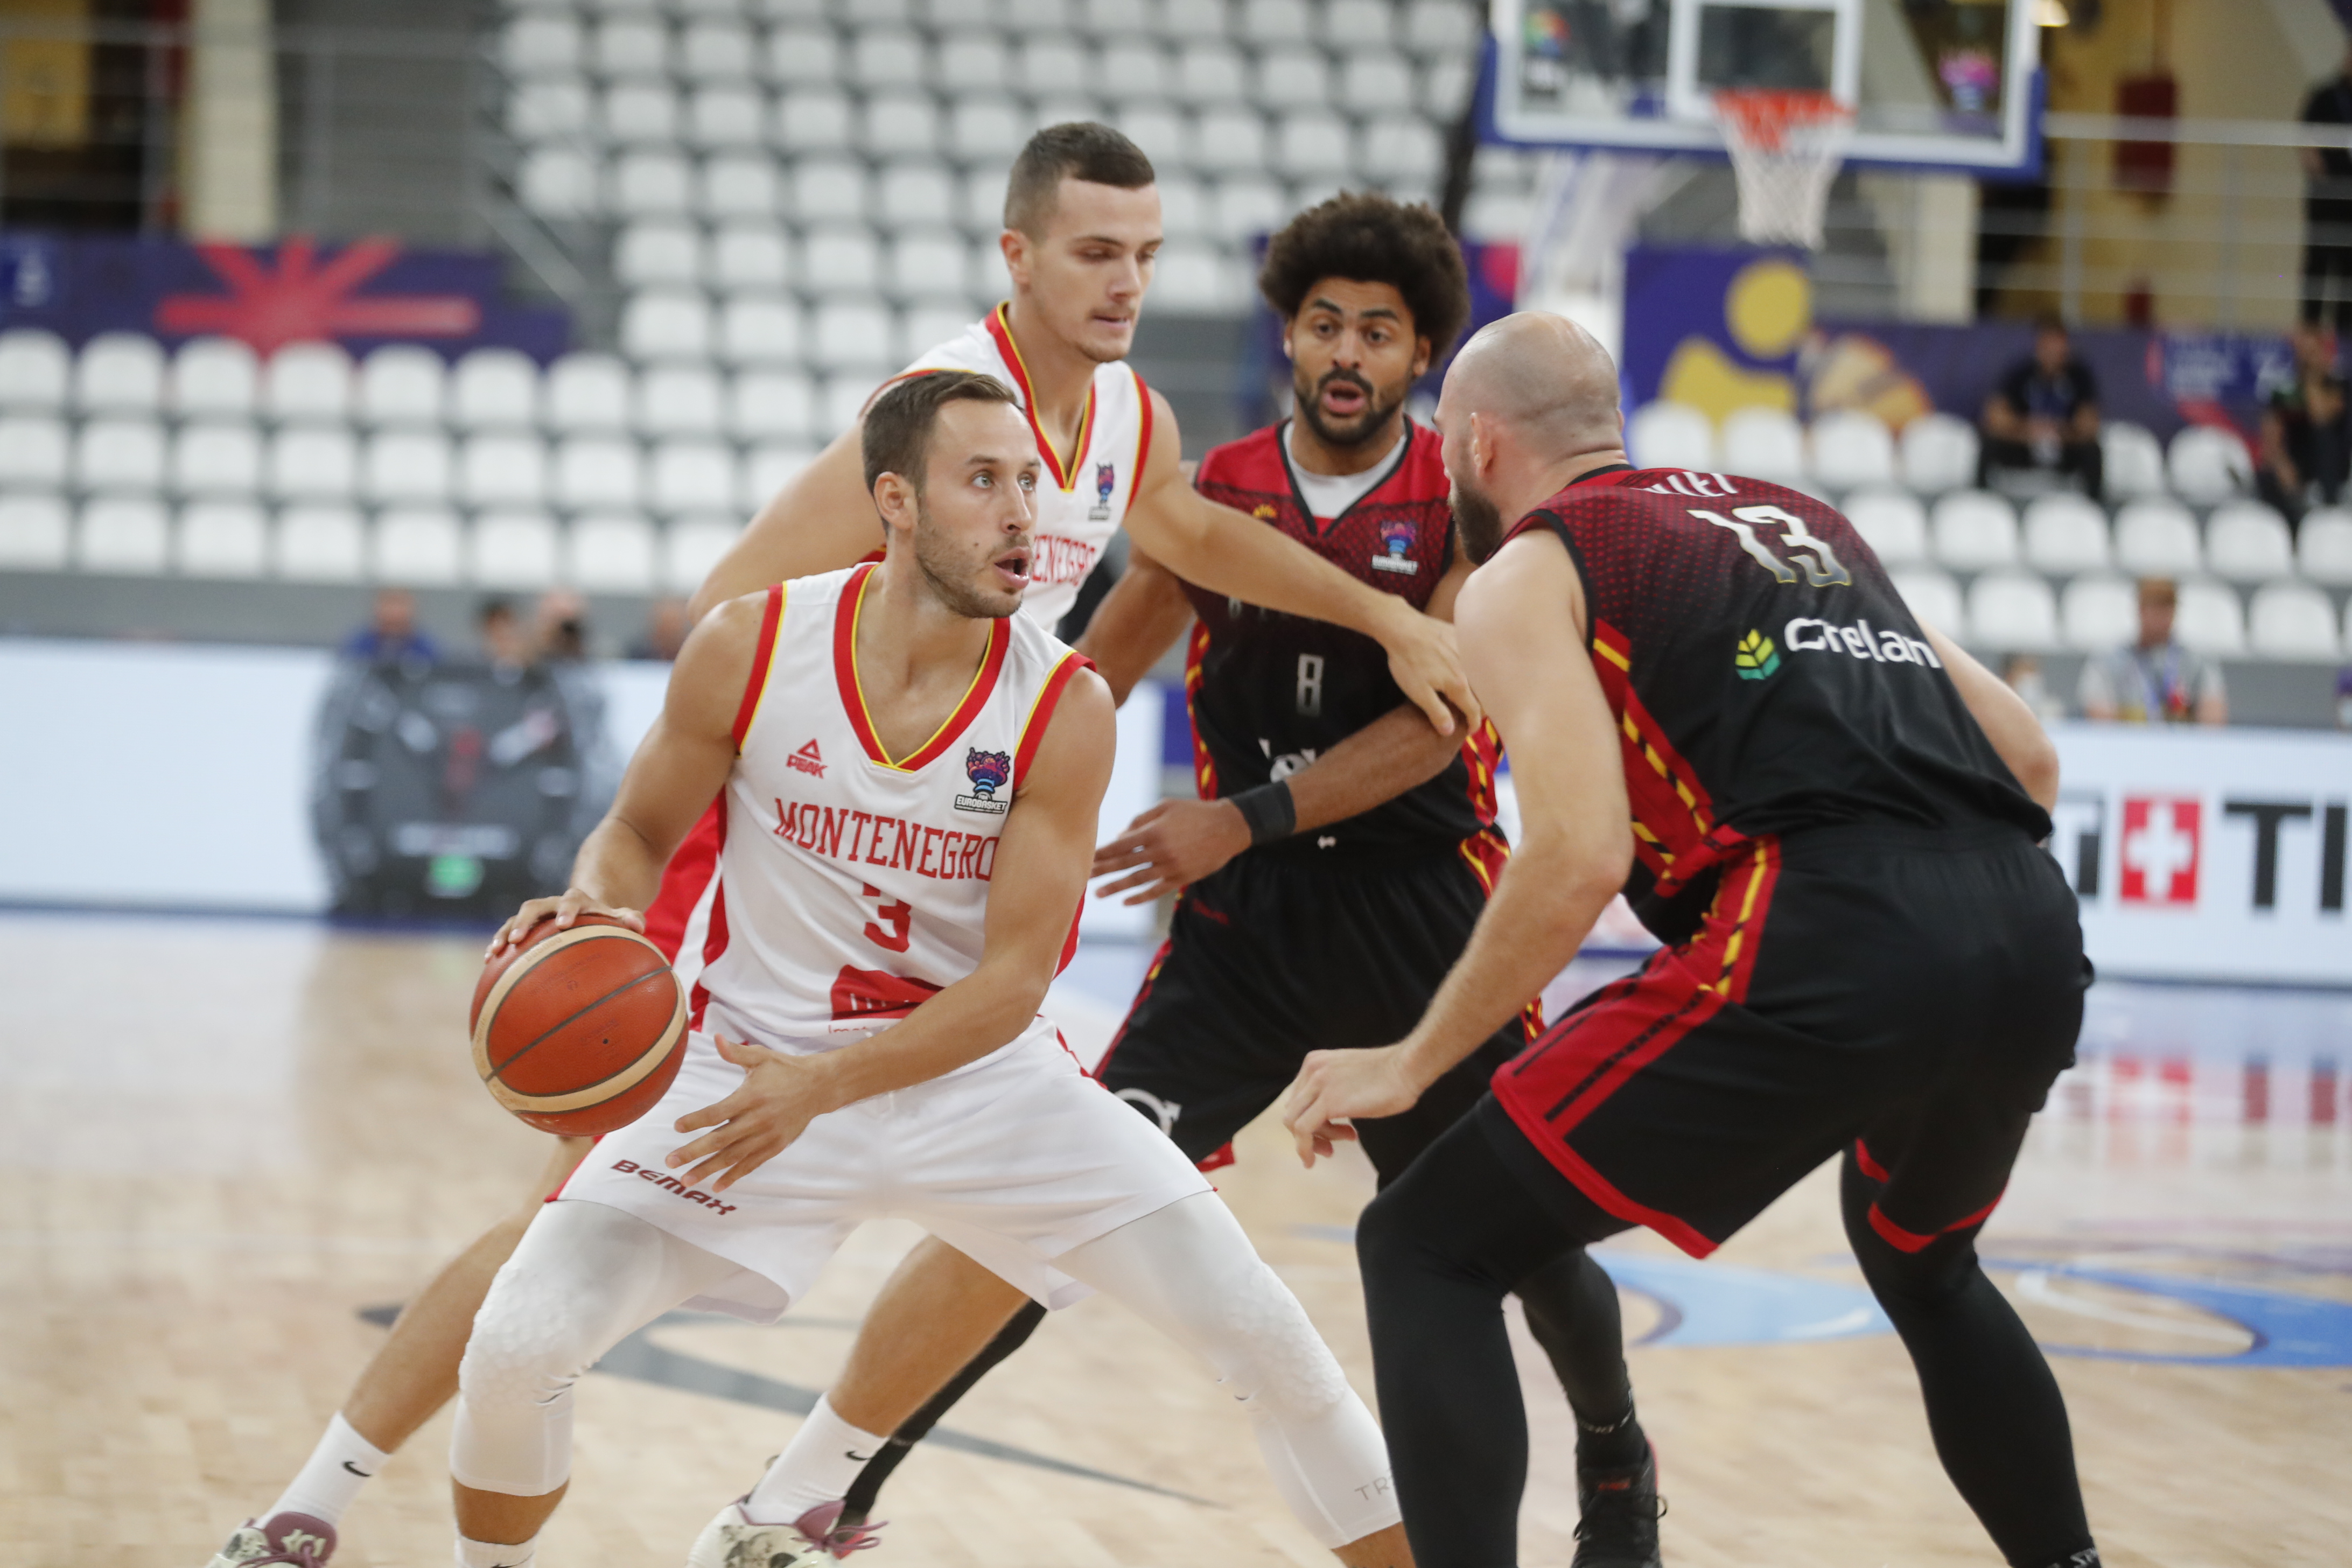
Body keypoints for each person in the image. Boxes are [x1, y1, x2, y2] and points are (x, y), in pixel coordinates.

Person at [197, 122, 1469, 1568]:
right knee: (563, 1214)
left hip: (964, 830)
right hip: (791, 823)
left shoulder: (1129, 420)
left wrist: (1388, 615)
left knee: (1041, 1214)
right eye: (1097, 253)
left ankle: (801, 1494)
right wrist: (728, 856)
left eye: (1148, 256)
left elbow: (1189, 537)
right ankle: (322, 1491)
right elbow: (739, 607)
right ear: (1020, 257)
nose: (1127, 283)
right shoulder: (929, 410)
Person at [759, 194, 1647, 1557]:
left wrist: (1242, 815)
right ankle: (851, 1481)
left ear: (1422, 358)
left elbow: (1443, 719)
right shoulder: (1212, 491)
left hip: (1422, 912)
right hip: (1245, 934)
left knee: (1517, 1235)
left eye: (1382, 331)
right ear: (1289, 335)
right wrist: (955, 788)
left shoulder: (1461, 503)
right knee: (1052, 1204)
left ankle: (1613, 1455)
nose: (1348, 352)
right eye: (1325, 324)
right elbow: (1093, 671)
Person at [444, 370, 1409, 1568]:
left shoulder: (1065, 703)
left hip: (979, 1083)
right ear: (894, 501)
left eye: (1033, 485)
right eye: (985, 482)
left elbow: (1012, 983)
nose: (1026, 516)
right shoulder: (751, 645)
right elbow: (638, 831)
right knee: (519, 1342)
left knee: (1265, 1334)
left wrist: (825, 1087)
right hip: (743, 1068)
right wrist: (600, 903)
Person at [1280, 312, 2099, 1568]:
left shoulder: (1533, 569)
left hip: (1826, 922)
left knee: (1425, 1242)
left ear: (1480, 441)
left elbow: (1579, 855)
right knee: (1919, 1259)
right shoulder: (1803, 520)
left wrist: (1409, 1059)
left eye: (1448, 446)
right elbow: (2030, 758)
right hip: (2030, 927)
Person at [1979, 316, 2103, 500]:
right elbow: (1995, 417)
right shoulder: (2020, 374)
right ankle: (1980, 502)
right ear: (2038, 346)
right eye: (2047, 346)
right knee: (1990, 445)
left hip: (2064, 447)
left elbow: (2089, 425)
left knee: (2092, 451)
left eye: (2057, 345)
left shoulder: (2080, 376)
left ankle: (2095, 509)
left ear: (2066, 346)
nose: (2052, 352)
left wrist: (2058, 431)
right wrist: (2029, 429)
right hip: (2025, 445)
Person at [2076, 576, 2227, 725]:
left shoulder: (2197, 663)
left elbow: (2213, 721)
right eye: (2153, 607)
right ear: (2140, 609)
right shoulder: (2108, 662)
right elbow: (2101, 721)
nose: (2160, 617)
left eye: (2166, 608)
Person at [2257, 323, 2349, 530]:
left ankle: (2329, 512)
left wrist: (2312, 379)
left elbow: (2321, 417)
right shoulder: (2285, 391)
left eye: (2311, 352)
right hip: (2299, 464)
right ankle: (2290, 529)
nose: (2305, 358)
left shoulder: (2338, 385)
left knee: (2324, 438)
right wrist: (2281, 462)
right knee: (2266, 474)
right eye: (2302, 352)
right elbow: (2271, 434)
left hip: (2333, 465)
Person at [2301, 46, 2352, 334]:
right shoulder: (2324, 95)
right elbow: (2306, 138)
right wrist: (2319, 172)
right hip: (2326, 197)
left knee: (2348, 271)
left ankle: (2345, 336)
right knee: (2318, 264)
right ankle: (2311, 332)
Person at [339, 588, 436, 663]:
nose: (395, 612)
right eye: (389, 604)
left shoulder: (428, 649)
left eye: (401, 604)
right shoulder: (357, 646)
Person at [631, 596, 691, 661]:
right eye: (667, 622)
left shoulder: (690, 650)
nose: (670, 629)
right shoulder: (639, 652)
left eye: (674, 622)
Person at [477, 597, 529, 669]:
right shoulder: (474, 667)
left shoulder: (537, 665)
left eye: (508, 624)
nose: (503, 631)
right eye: (495, 627)